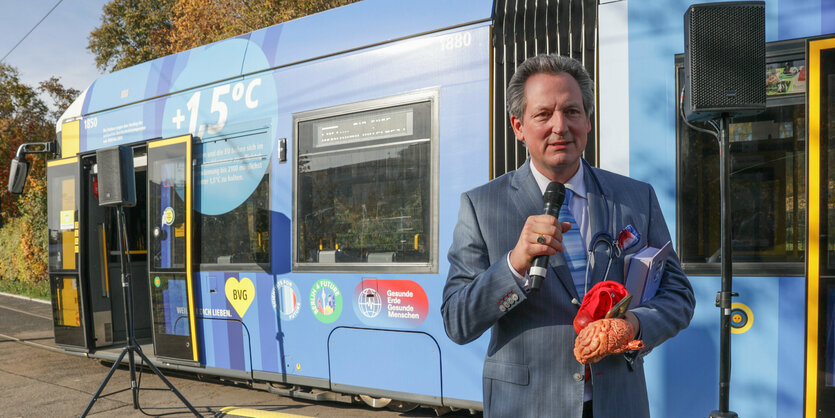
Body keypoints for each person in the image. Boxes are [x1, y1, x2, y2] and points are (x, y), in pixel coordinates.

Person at [441, 54, 695, 418]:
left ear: (588, 121)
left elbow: (679, 295)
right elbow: (457, 321)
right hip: (528, 408)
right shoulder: (482, 207)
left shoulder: (636, 198)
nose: (560, 126)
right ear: (518, 126)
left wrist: (631, 326)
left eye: (572, 111)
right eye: (543, 114)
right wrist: (514, 265)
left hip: (619, 405)